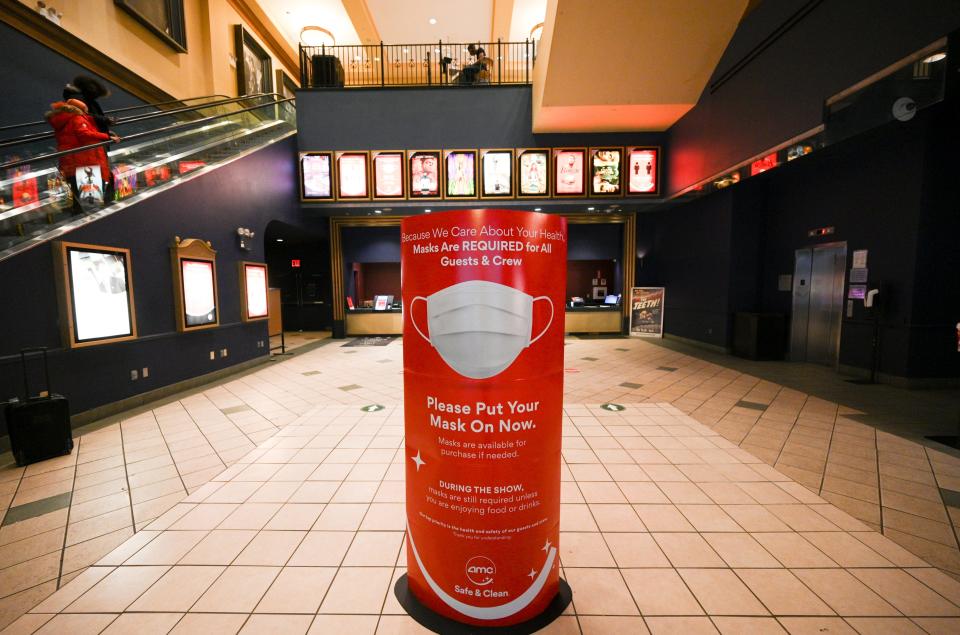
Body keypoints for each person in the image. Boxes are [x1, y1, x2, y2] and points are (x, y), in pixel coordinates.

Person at [45, 98, 120, 213]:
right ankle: (94, 223)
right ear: (78, 109)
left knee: (80, 196)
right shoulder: (77, 118)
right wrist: (107, 137)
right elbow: (84, 133)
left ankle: (80, 218)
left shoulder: (63, 120)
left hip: (72, 161)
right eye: (85, 111)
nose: (86, 113)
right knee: (91, 202)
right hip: (85, 160)